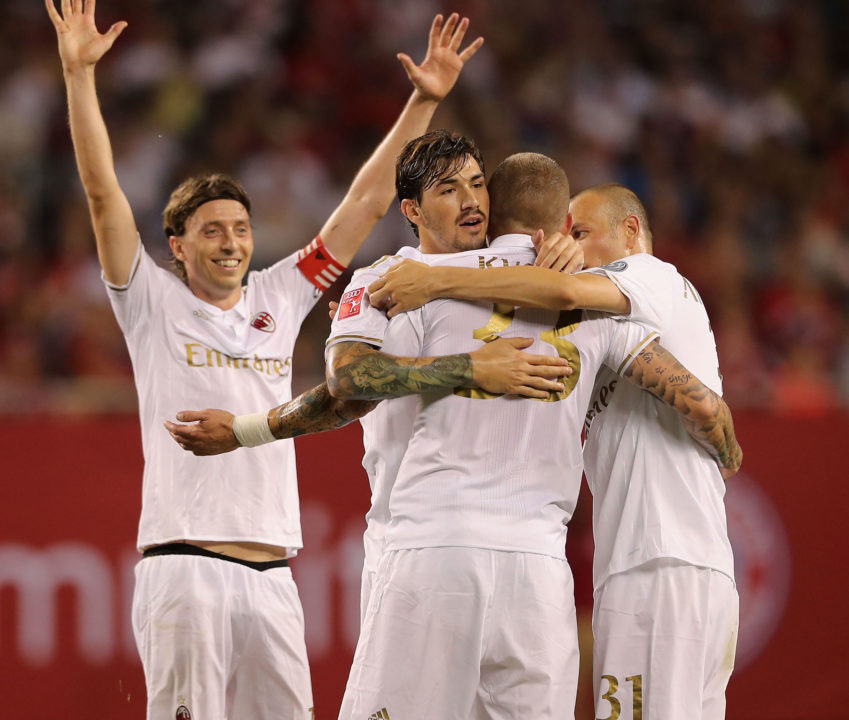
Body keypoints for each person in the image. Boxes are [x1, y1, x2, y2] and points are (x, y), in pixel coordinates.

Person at [45, 1, 487, 717]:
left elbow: (364, 203)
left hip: (274, 575)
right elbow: (102, 195)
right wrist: (77, 75)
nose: (230, 241)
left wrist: (422, 102)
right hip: (184, 567)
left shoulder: (279, 297)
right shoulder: (149, 300)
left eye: (241, 228)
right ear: (177, 247)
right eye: (210, 230)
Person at [324, 153, 739, 719]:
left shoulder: (403, 282)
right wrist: (724, 443)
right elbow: (699, 401)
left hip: (431, 545)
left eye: (476, 185)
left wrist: (252, 431)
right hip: (542, 572)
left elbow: (344, 386)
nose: (579, 247)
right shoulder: (599, 311)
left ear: (492, 209)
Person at [166, 132, 574, 624]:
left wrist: (570, 252)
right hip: (461, 548)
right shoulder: (386, 282)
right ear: (412, 211)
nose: (470, 201)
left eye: (477, 184)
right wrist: (473, 365)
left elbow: (347, 387)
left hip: (483, 546)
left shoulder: (557, 272)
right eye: (448, 189)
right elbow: (349, 383)